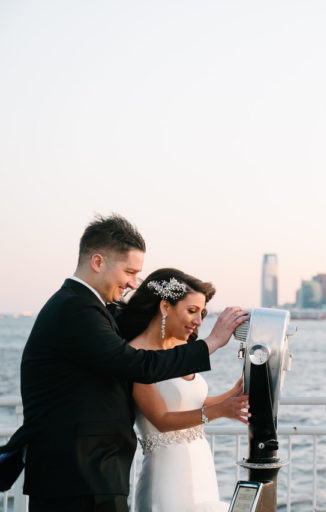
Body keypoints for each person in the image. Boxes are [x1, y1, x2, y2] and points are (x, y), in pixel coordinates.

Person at [0, 214, 249, 512]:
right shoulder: (75, 309)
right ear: (98, 262)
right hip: (76, 476)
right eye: (129, 271)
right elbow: (136, 365)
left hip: (92, 474)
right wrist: (211, 342)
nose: (134, 283)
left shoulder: (90, 308)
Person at [115, 268, 249, 512]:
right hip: (167, 475)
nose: (198, 322)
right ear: (165, 307)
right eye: (191, 311)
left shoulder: (182, 347)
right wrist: (219, 411)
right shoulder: (136, 354)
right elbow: (162, 419)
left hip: (201, 464)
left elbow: (189, 402)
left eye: (201, 313)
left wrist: (230, 397)